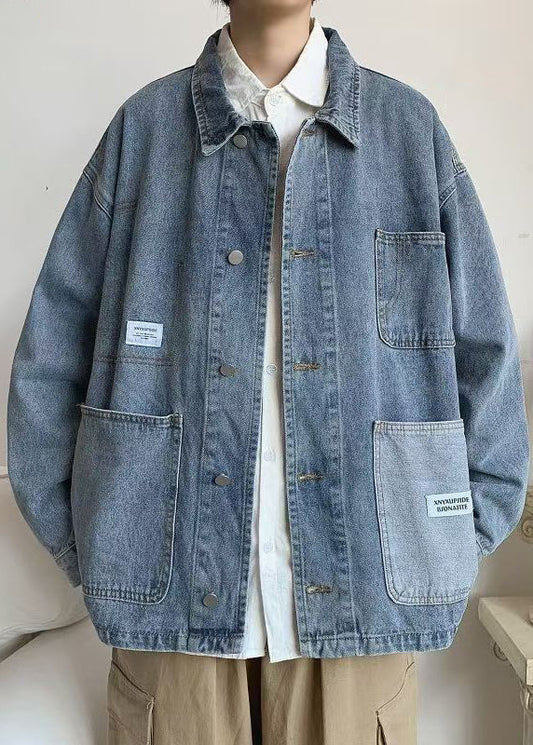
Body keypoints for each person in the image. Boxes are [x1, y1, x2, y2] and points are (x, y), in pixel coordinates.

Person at [6, 0, 529, 743]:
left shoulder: (408, 131)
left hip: (365, 595)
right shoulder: (145, 131)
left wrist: (437, 546)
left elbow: (486, 354)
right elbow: (49, 359)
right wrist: (100, 545)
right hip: (171, 599)